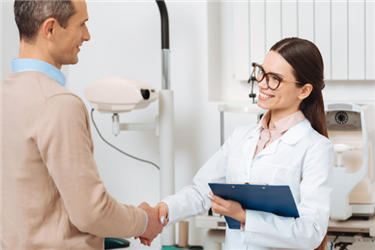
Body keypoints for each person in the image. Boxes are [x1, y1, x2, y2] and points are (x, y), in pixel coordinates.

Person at [1, 0, 162, 249]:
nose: (87, 35)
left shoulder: (5, 95)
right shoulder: (58, 103)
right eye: (81, 24)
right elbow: (92, 213)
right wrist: (144, 221)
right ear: (50, 29)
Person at [151, 38, 333, 250]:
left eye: (276, 79)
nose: (263, 84)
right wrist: (163, 209)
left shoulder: (316, 148)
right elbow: (202, 191)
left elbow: (311, 231)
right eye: (262, 72)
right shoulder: (241, 136)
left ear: (304, 91)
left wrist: (243, 216)